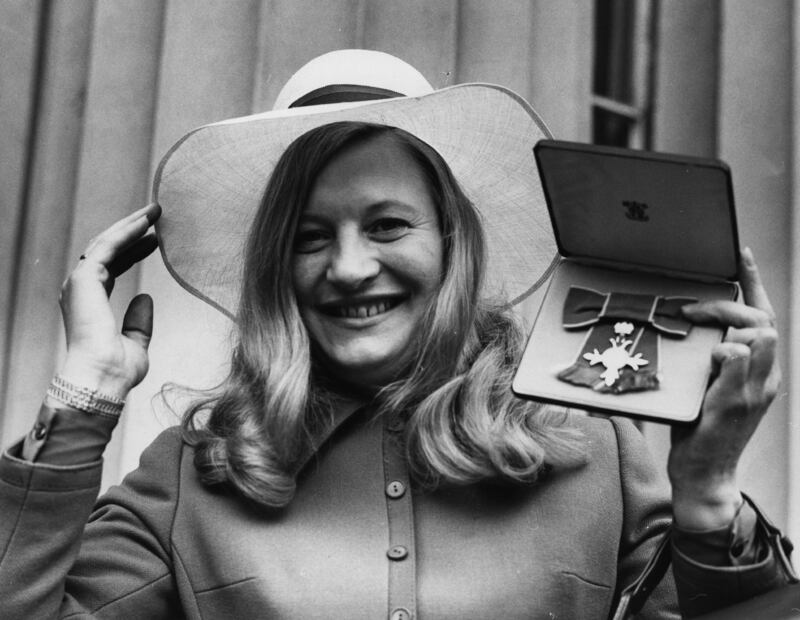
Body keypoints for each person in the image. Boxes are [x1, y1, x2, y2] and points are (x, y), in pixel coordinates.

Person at [0, 49, 795, 619]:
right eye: (310, 237)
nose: (348, 268)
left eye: (386, 224)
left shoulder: (595, 446)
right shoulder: (191, 474)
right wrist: (82, 402)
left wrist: (709, 493)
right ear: (279, 265)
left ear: (452, 241)